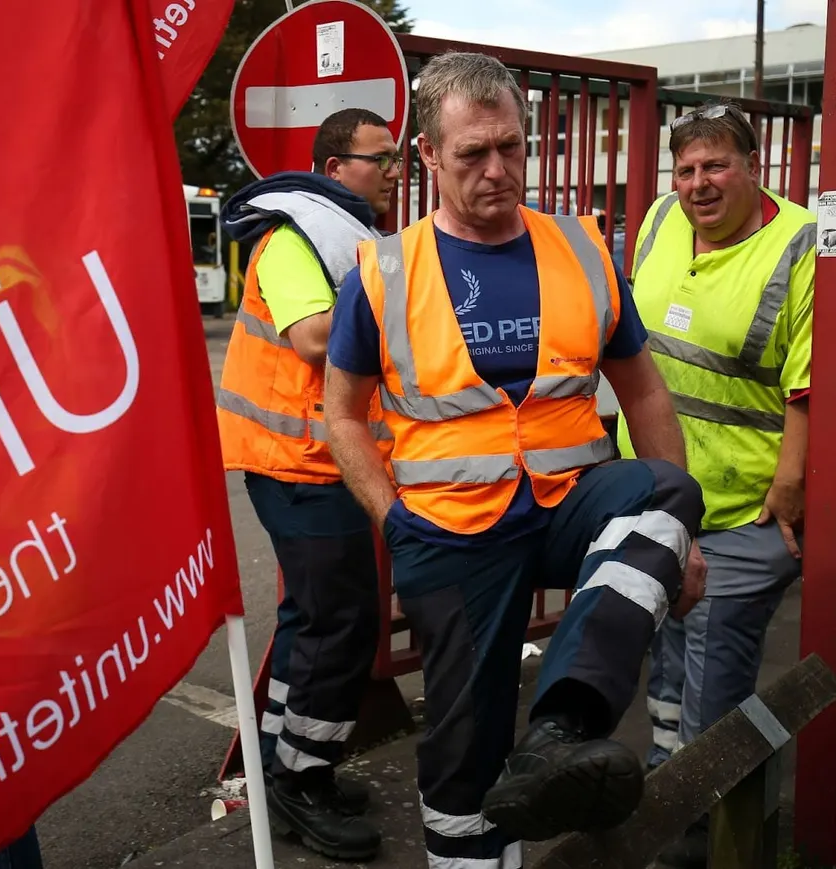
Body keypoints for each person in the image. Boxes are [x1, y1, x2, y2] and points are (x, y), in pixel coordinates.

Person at [322, 51, 709, 869]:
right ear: (427, 156)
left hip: (567, 501)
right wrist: (394, 518)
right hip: (450, 531)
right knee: (465, 736)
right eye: (472, 153)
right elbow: (342, 417)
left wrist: (683, 539)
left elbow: (643, 394)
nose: (497, 169)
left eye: (511, 147)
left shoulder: (581, 246)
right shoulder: (384, 272)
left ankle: (562, 728)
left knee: (665, 491)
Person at [616, 100, 813, 869]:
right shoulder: (661, 219)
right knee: (662, 646)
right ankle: (672, 786)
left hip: (745, 511)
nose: (699, 183)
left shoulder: (797, 243)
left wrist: (791, 486)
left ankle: (698, 830)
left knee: (714, 681)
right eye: (687, 167)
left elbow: (807, 385)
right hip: (662, 494)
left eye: (717, 165)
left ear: (754, 166)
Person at [214, 107, 401, 861]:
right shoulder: (295, 236)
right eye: (377, 156)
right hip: (297, 466)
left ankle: (282, 764)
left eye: (395, 155)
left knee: (311, 620)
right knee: (342, 623)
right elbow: (313, 336)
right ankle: (302, 780)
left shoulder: (337, 232)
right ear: (333, 170)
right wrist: (403, 309)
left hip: (317, 464)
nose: (393, 167)